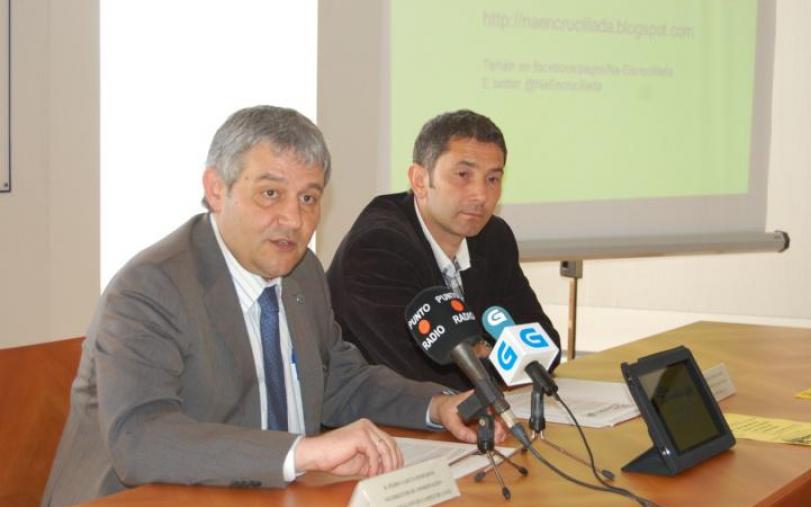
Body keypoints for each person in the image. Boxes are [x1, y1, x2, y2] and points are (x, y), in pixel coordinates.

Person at [42, 106, 486, 507]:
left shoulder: (302, 272)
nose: (294, 219)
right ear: (217, 189)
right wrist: (301, 452)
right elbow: (140, 439)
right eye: (271, 194)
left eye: (308, 198)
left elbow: (338, 379)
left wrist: (438, 406)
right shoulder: (150, 287)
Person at [327, 109, 561, 391]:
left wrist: (483, 353)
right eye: (463, 174)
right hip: (380, 426)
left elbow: (545, 345)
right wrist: (493, 352)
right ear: (419, 181)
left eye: (492, 179)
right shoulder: (379, 247)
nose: (481, 195)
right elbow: (421, 376)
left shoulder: (494, 237)